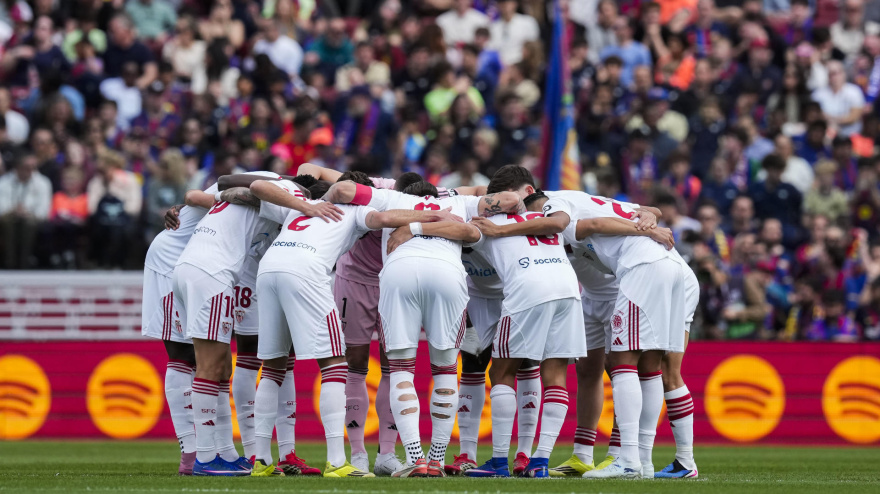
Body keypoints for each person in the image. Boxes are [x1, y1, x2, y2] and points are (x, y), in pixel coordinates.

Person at [246, 172, 461, 478]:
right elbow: (385, 217)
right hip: (313, 272)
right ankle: (339, 461)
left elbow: (256, 186)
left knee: (272, 366)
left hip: (269, 270)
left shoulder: (298, 205)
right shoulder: (357, 210)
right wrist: (432, 213)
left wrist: (305, 206)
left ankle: (261, 461)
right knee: (337, 364)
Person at [322, 178, 522, 477]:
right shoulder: (458, 203)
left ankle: (415, 458)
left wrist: (321, 200)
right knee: (444, 370)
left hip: (399, 272)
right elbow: (509, 199)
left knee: (402, 369)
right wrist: (464, 196)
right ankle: (436, 460)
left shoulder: (390, 198)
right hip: (447, 274)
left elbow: (343, 190)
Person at [172, 172, 340, 476]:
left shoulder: (259, 195)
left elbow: (216, 193)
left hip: (194, 268)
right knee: (210, 367)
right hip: (212, 273)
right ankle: (206, 459)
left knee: (222, 366)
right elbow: (258, 187)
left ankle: (221, 453)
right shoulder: (293, 194)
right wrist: (308, 207)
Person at [0, 153, 52, 269]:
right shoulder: (4, 182)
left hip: (32, 219)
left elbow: (43, 212)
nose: (31, 171)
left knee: (28, 223)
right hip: (8, 217)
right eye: (27, 168)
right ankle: (10, 263)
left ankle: (25, 263)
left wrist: (26, 212)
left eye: (33, 168)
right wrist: (13, 211)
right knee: (7, 222)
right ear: (17, 167)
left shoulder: (43, 183)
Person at [812, 60, 868, 137]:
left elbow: (854, 116)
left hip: (851, 135)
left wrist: (831, 120)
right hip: (826, 136)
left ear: (843, 73)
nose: (833, 77)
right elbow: (816, 115)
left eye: (836, 73)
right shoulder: (818, 94)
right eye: (830, 74)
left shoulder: (854, 91)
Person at [489, 0, 540, 66]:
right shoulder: (493, 27)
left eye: (507, 2)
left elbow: (533, 50)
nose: (505, 5)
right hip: (499, 68)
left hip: (523, 66)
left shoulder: (528, 22)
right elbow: (491, 50)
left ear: (515, 3)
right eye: (501, 2)